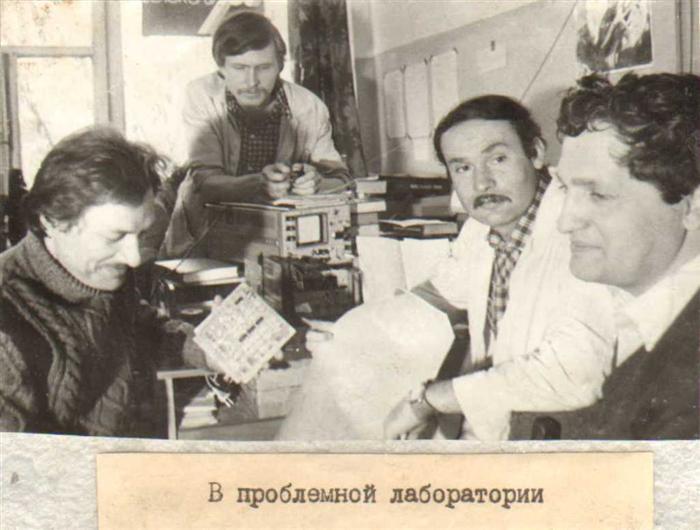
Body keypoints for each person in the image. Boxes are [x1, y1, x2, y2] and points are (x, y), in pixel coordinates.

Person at [0, 128, 209, 436]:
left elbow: (137, 325)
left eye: (141, 234)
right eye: (115, 237)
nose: (133, 258)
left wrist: (202, 345)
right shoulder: (6, 324)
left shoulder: (101, 272)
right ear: (52, 221)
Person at [550, 72, 700, 439]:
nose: (565, 222)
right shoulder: (649, 314)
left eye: (598, 195)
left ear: (692, 206)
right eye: (565, 188)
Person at [163, 11, 350, 257]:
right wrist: (258, 184)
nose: (251, 81)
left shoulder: (310, 107)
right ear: (221, 68)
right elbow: (206, 182)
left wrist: (317, 183)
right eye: (239, 68)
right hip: (203, 236)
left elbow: (342, 179)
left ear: (280, 65)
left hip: (275, 243)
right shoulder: (201, 95)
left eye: (263, 68)